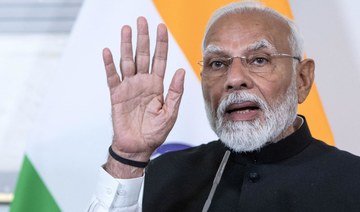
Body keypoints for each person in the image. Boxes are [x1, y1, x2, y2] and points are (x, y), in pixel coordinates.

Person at [88, 1, 360, 211]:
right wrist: (127, 157)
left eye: (259, 60)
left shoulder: (352, 181)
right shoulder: (165, 175)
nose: (235, 79)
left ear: (302, 79)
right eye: (218, 63)